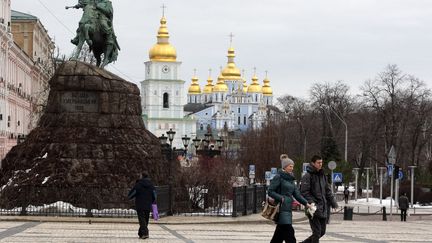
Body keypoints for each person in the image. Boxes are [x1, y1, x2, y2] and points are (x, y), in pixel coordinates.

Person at [268, 154, 311, 243]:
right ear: (285, 167)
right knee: (289, 233)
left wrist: (306, 204)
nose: (292, 168)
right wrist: (281, 198)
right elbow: (270, 191)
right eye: (290, 166)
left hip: (288, 209)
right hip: (281, 209)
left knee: (278, 236)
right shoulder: (278, 177)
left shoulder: (291, 179)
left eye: (292, 166)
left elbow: (297, 195)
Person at [300, 155, 338, 243]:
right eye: (318, 162)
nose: (320, 164)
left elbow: (328, 191)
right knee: (317, 232)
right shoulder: (308, 176)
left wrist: (334, 203)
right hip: (313, 208)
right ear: (313, 163)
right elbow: (304, 192)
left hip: (323, 208)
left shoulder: (323, 175)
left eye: (321, 162)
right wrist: (312, 204)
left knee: (322, 232)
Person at [128, 172, 156, 239]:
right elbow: (154, 195)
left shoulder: (138, 185)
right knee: (146, 220)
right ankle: (141, 233)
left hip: (140, 205)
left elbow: (131, 194)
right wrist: (152, 201)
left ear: (142, 177)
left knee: (142, 220)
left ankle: (145, 233)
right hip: (148, 205)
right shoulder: (151, 185)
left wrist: (130, 196)